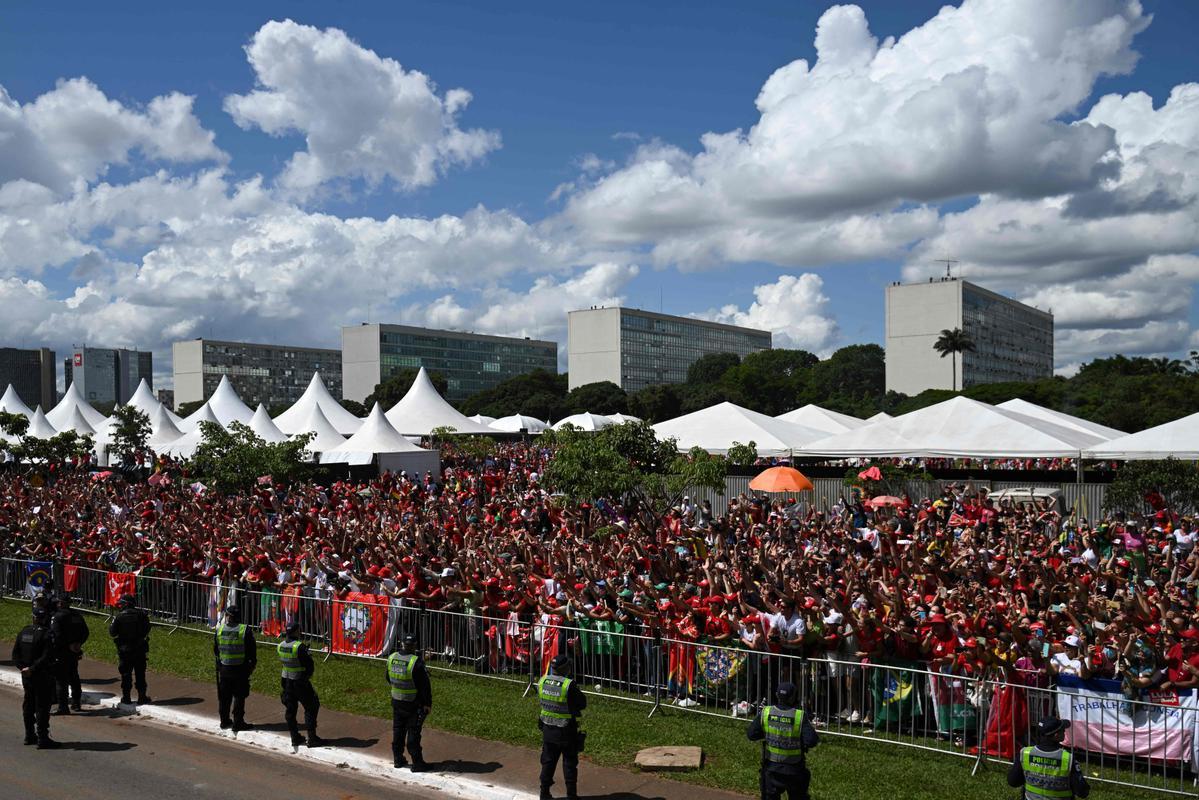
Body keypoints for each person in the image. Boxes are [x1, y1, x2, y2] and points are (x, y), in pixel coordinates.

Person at [746, 682, 819, 800]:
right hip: (794, 770)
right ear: (793, 697)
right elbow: (811, 741)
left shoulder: (766, 712)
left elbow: (751, 735)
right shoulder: (799, 716)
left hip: (771, 769)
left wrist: (767, 733)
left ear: (776, 695)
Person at [537, 654, 586, 800]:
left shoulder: (542, 681)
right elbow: (582, 703)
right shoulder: (568, 685)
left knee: (548, 762)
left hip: (547, 728)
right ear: (565, 668)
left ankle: (544, 793)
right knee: (569, 763)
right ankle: (571, 795)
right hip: (566, 731)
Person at [12, 605, 59, 749]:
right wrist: (32, 669)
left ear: (33, 618)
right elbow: (47, 656)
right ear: (45, 619)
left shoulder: (24, 632)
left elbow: (15, 655)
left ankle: (29, 735)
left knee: (28, 704)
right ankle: (42, 738)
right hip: (41, 676)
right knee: (42, 707)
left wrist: (24, 669)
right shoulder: (47, 634)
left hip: (27, 676)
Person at [1007, 717, 1090, 799]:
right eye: (1062, 729)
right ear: (1056, 735)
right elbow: (1082, 792)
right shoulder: (1067, 758)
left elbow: (1013, 782)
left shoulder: (1025, 753)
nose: (1064, 731)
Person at [386, 632, 431, 771]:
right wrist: (427, 704)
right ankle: (417, 763)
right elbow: (424, 686)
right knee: (413, 733)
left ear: (402, 644)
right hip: (413, 704)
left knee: (398, 731)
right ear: (415, 646)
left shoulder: (392, 658)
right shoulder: (415, 662)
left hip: (397, 701)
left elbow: (388, 678)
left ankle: (398, 759)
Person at [278, 620, 324, 748]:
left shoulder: (280, 645)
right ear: (296, 631)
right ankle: (312, 737)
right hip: (300, 682)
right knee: (311, 706)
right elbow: (309, 666)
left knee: (291, 710)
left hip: (286, 681)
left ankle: (294, 737)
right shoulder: (299, 647)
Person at [213, 605, 256, 731]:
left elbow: (216, 650)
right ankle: (238, 722)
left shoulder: (219, 630)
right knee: (239, 695)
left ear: (228, 616)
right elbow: (251, 651)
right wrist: (252, 665)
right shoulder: (245, 630)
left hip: (224, 668)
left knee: (224, 697)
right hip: (240, 669)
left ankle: (224, 721)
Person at [109, 593, 152, 705]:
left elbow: (112, 633)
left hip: (125, 650)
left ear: (126, 604)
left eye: (121, 604)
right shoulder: (142, 615)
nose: (120, 606)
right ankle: (142, 697)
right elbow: (147, 629)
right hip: (139, 649)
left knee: (126, 674)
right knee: (140, 673)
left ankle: (126, 698)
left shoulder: (119, 617)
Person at [51, 592, 89, 714]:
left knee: (61, 680)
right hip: (74, 652)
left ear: (61, 603)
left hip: (61, 652)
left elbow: (56, 635)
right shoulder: (77, 615)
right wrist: (78, 644)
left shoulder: (58, 616)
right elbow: (85, 632)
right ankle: (76, 703)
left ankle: (63, 707)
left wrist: (68, 645)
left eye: (58, 602)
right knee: (74, 677)